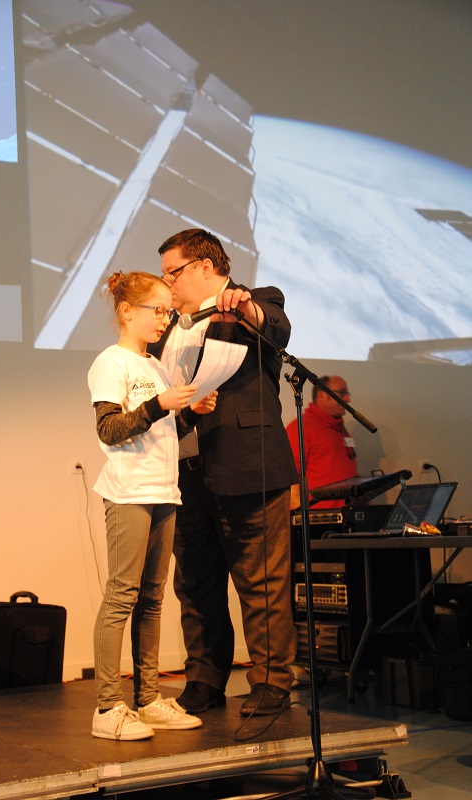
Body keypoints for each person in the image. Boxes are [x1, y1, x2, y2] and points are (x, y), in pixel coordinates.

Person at [149, 228, 297, 717]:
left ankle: (271, 682)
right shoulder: (166, 327)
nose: (167, 283)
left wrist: (247, 308)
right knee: (195, 583)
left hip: (246, 464)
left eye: (173, 272)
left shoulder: (254, 302)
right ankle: (204, 680)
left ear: (206, 267)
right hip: (182, 473)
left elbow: (275, 325)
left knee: (261, 582)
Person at [88, 270, 217, 741]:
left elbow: (161, 432)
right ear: (127, 311)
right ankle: (108, 707)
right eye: (157, 310)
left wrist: (189, 415)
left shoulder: (156, 366)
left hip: (164, 490)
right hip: (130, 492)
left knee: (153, 597)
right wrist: (160, 405)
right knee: (122, 595)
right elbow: (109, 430)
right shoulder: (112, 362)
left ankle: (147, 699)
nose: (166, 319)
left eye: (168, 311)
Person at [286, 375, 357, 510]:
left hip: (348, 515)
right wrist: (302, 515)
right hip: (319, 517)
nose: (348, 399)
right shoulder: (300, 428)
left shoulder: (341, 429)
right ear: (322, 396)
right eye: (342, 393)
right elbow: (288, 479)